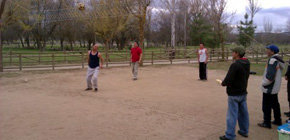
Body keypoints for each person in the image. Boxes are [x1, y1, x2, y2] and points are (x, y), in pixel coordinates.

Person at [219, 47, 250, 140]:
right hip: (243, 92)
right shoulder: (247, 62)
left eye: (233, 52)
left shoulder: (235, 65)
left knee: (232, 115)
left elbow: (228, 79)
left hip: (234, 93)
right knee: (243, 113)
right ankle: (244, 131)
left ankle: (230, 135)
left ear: (237, 53)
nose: (232, 54)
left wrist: (223, 83)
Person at [258, 45, 285, 129]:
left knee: (266, 105)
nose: (266, 51)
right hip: (274, 88)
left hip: (270, 87)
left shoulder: (272, 60)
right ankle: (277, 120)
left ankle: (267, 122)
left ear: (272, 52)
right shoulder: (278, 59)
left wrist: (263, 83)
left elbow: (270, 76)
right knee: (275, 104)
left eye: (268, 50)